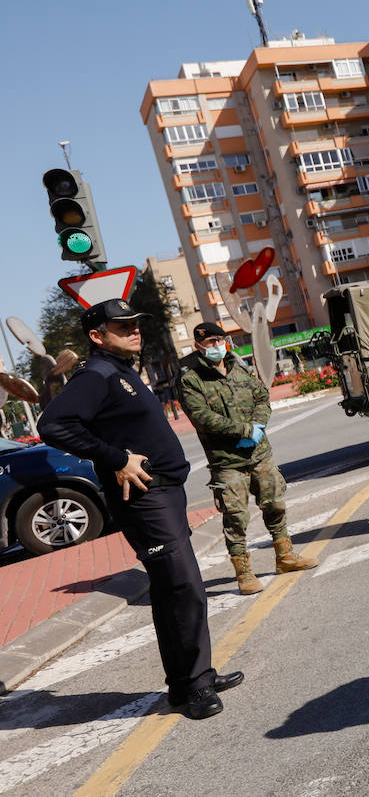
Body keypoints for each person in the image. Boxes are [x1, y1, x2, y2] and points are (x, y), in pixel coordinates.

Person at [37, 299, 242, 720]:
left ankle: (187, 681)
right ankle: (196, 686)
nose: (134, 331)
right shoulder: (96, 374)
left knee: (170, 589)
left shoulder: (122, 369)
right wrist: (115, 458)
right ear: (97, 336)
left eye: (135, 324)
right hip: (145, 500)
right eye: (122, 326)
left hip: (165, 492)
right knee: (184, 586)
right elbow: (53, 425)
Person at [178, 322, 318, 596]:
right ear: (198, 346)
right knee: (236, 518)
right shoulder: (191, 380)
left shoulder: (240, 368)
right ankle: (244, 573)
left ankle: (285, 557)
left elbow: (262, 397)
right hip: (227, 461)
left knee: (275, 504)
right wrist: (243, 430)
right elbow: (202, 417)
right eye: (210, 342)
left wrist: (258, 425)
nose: (217, 345)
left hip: (259, 453)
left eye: (220, 339)